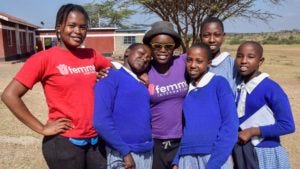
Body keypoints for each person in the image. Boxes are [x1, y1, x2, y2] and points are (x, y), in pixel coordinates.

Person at [1, 4, 111, 169]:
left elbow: (114, 71)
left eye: (83, 27)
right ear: (59, 26)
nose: (78, 31)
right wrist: (41, 128)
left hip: (96, 140)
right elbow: (9, 95)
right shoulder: (43, 58)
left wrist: (103, 75)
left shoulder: (91, 55)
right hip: (64, 143)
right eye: (72, 25)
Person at [172, 43, 239, 169]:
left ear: (209, 63)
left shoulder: (219, 84)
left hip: (214, 157)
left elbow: (230, 125)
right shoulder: (187, 89)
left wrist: (215, 162)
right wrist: (177, 160)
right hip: (187, 157)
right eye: (189, 60)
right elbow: (186, 128)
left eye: (199, 61)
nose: (192, 65)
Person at [233, 41, 295, 169]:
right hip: (241, 151)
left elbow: (287, 125)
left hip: (265, 152)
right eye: (239, 56)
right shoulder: (237, 87)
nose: (243, 61)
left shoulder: (271, 88)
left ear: (260, 61)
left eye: (250, 57)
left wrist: (253, 131)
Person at [93, 43, 153, 169]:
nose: (145, 59)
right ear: (127, 52)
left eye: (148, 58)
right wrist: (124, 152)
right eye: (141, 53)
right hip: (124, 153)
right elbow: (100, 121)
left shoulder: (141, 83)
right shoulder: (110, 77)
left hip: (146, 151)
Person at [143, 21, 189, 169]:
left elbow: (207, 55)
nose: (163, 50)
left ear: (175, 47)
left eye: (168, 46)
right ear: (150, 46)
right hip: (154, 140)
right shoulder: (144, 69)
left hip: (182, 138)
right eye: (157, 45)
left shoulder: (183, 62)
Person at [200, 17, 239, 92]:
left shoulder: (232, 65)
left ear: (223, 37)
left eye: (217, 35)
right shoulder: (193, 64)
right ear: (200, 37)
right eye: (206, 35)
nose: (212, 40)